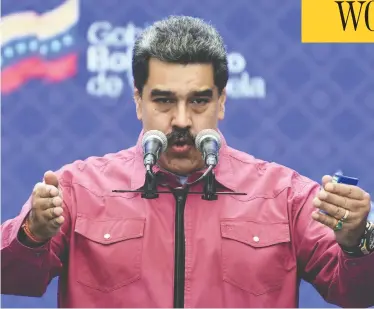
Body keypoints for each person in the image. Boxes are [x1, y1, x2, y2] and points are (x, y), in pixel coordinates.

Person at [1, 15, 374, 308]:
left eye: (198, 101)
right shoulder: (77, 188)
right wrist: (32, 234)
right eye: (163, 100)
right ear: (137, 100)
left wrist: (359, 241)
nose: (181, 120)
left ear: (222, 101)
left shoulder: (285, 195)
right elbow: (10, 278)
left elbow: (356, 294)